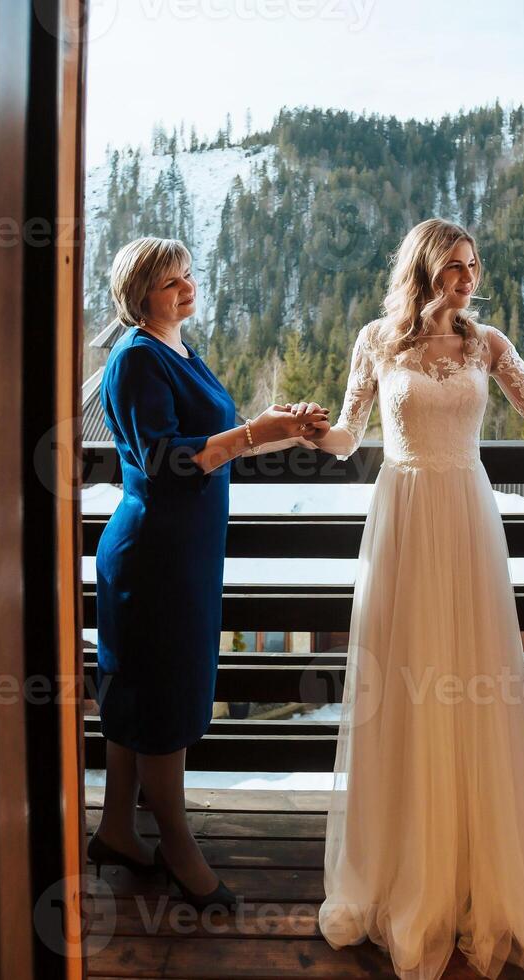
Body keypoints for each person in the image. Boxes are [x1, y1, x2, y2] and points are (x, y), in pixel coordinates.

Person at [307, 218, 524, 980]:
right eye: (453, 269)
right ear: (424, 269)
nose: (467, 280)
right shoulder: (378, 340)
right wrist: (305, 430)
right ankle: (406, 860)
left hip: (466, 518)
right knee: (402, 682)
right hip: (401, 517)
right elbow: (348, 433)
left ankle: (475, 863)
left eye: (473, 267)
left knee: (470, 680)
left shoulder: (488, 343)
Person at [87, 236, 327, 911]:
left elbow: (216, 440)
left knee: (139, 692)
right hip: (154, 555)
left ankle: (115, 831)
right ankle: (176, 846)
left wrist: (285, 429)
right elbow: (168, 461)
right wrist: (254, 433)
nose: (187, 287)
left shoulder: (178, 350)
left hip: (183, 552)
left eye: (188, 275)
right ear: (140, 295)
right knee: (162, 698)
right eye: (170, 282)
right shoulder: (136, 359)